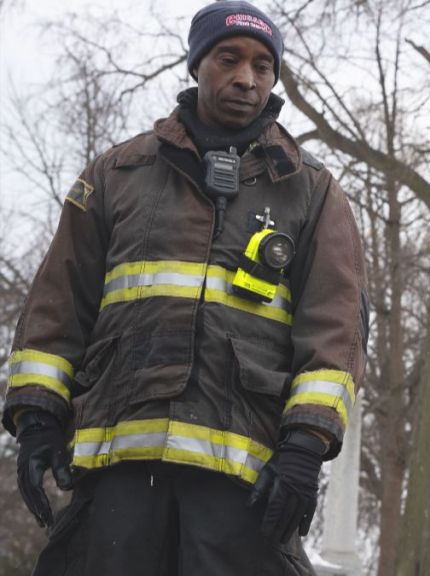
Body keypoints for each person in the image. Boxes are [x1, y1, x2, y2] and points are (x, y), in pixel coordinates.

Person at [2, 2, 368, 574]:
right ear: (198, 64)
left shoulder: (312, 191)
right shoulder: (113, 175)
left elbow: (336, 334)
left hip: (241, 486)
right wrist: (37, 421)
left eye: (263, 66)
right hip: (117, 474)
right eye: (230, 58)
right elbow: (56, 307)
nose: (247, 78)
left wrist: (304, 448)